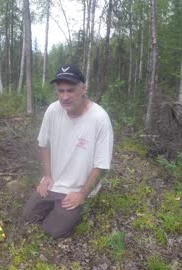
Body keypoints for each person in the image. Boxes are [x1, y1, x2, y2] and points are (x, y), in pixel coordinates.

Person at [22, 64, 114, 238]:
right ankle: (57, 208)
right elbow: (44, 144)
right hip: (54, 183)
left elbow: (101, 166)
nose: (64, 97)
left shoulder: (99, 118)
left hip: (77, 188)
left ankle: (70, 212)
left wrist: (82, 194)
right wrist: (47, 176)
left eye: (70, 90)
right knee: (28, 216)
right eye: (60, 91)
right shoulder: (53, 110)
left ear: (83, 88)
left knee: (53, 230)